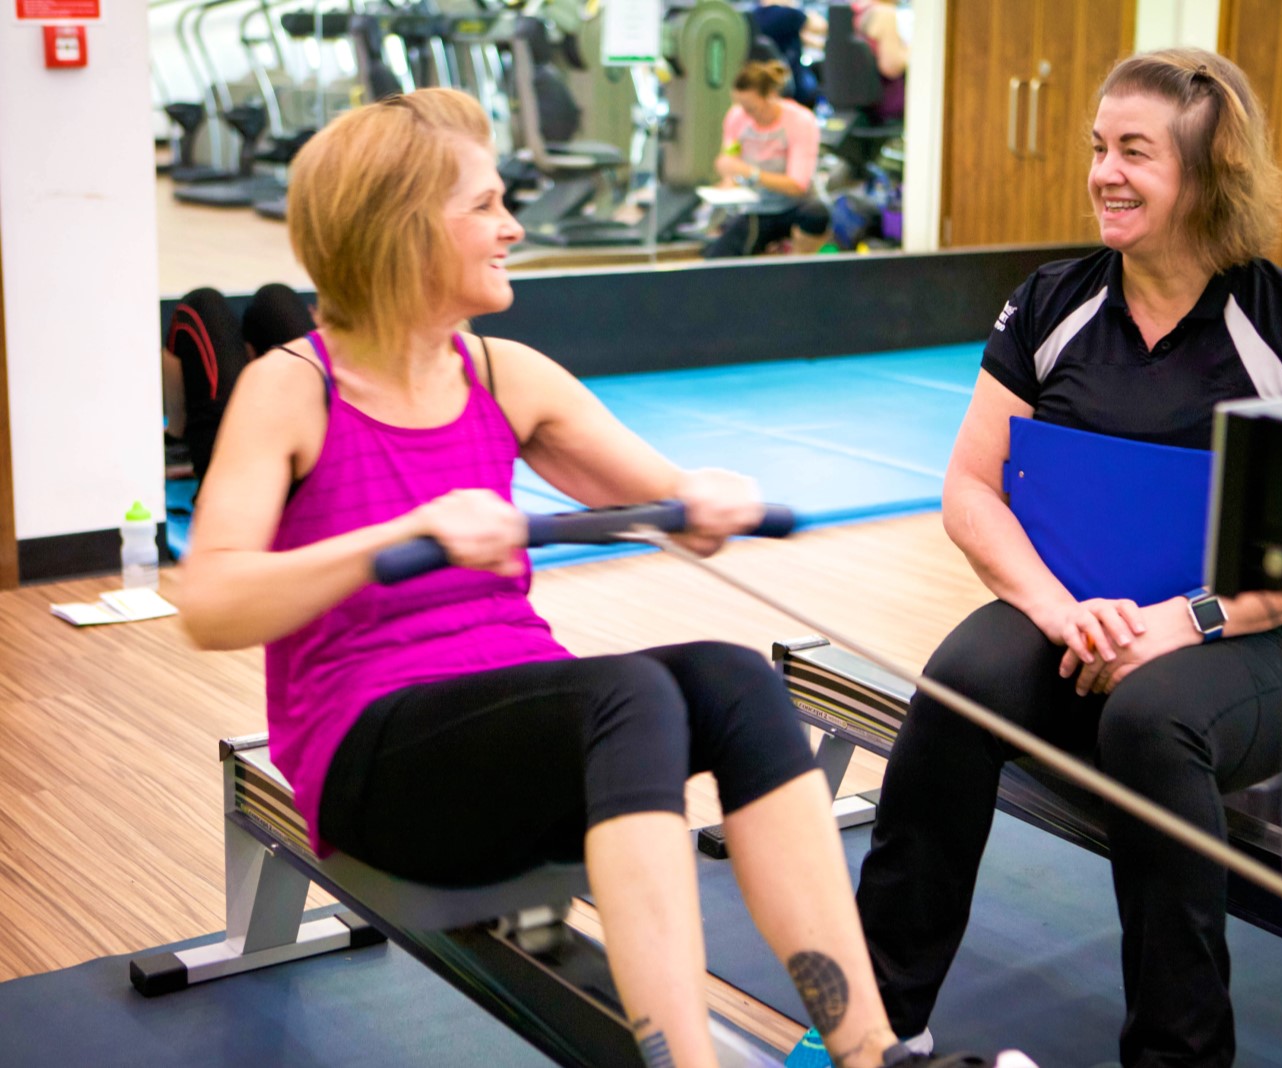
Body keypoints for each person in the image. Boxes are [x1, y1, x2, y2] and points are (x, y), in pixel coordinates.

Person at [175, 87, 1030, 1068]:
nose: (511, 227)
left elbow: (662, 494)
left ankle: (873, 1051)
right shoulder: (295, 388)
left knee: (730, 675)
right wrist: (398, 534)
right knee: (623, 696)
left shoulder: (502, 375)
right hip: (372, 759)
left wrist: (703, 499)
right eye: (486, 206)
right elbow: (209, 603)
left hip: (513, 734)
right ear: (405, 230)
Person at [853, 50, 1282, 1068]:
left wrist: (1187, 620)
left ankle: (1179, 1055)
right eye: (1098, 148)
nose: (1103, 172)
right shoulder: (1052, 303)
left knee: (1150, 714)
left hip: (1254, 641)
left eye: (1134, 151)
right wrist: (1056, 610)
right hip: (1080, 618)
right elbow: (970, 488)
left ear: (1207, 172)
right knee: (957, 686)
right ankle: (873, 1023)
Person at [162, 283, 314, 483]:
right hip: (317, 449)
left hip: (246, 470)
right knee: (272, 298)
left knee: (201, 303)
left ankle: (177, 436)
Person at [706, 60, 832, 259]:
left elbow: (797, 184)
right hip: (757, 208)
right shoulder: (738, 117)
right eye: (740, 106)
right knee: (717, 257)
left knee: (816, 213)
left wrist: (750, 173)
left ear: (771, 96)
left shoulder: (800, 121)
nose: (745, 113)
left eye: (751, 108)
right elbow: (730, 157)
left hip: (795, 206)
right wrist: (728, 179)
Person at [752, 0, 826, 109]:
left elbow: (796, 38)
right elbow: (821, 27)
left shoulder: (755, 15)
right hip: (795, 86)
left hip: (765, 85)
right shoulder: (789, 14)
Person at [849, 0, 908, 122]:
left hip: (854, 104)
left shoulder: (854, 9)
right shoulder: (884, 15)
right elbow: (891, 67)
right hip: (884, 104)